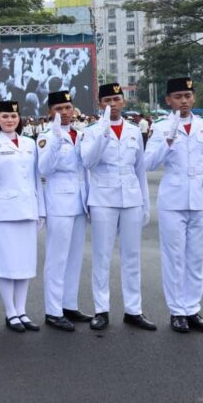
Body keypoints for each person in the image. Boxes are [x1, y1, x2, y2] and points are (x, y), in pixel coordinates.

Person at [145, 77, 203, 333]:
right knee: (174, 257)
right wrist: (167, 141)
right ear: (168, 100)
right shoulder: (160, 127)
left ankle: (192, 309)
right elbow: (148, 163)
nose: (184, 101)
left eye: (188, 96)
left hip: (201, 197)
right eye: (178, 96)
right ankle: (177, 311)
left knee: (197, 257)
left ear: (193, 97)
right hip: (173, 199)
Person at [80, 83, 155, 331]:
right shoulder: (91, 131)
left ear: (123, 101)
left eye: (116, 99)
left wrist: (145, 203)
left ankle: (133, 310)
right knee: (101, 256)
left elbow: (140, 169)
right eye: (107, 100)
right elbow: (88, 162)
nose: (112, 104)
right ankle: (101, 309)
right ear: (99, 103)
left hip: (131, 198)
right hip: (103, 199)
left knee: (132, 256)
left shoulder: (134, 130)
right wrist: (103, 133)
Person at [0, 100, 44, 333]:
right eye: (5, 116)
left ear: (19, 118)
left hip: (27, 209)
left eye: (13, 116)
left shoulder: (29, 143)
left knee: (25, 263)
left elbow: (36, 179)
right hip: (4, 212)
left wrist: (41, 210)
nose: (9, 120)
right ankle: (10, 312)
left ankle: (22, 310)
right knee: (7, 263)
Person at [36, 91, 92, 332]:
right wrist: (57, 141)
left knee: (75, 257)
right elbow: (44, 168)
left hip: (79, 201)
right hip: (59, 201)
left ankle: (69, 304)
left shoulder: (80, 134)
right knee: (57, 258)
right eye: (59, 109)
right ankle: (53, 310)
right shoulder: (46, 136)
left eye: (68, 107)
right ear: (50, 112)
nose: (65, 112)